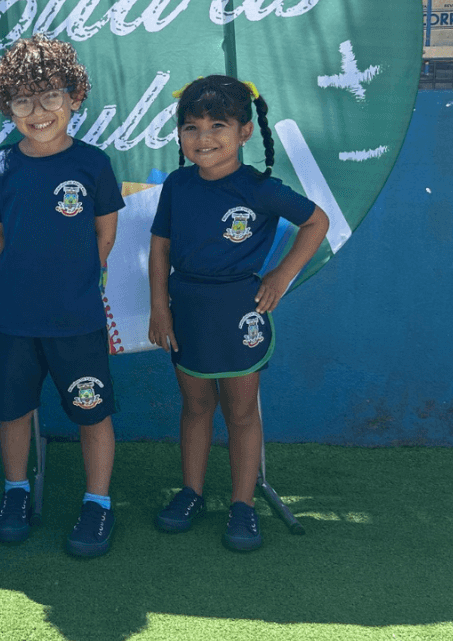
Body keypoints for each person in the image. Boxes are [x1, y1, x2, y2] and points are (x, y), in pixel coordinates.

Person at [148, 75, 329, 552]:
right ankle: (191, 493)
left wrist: (280, 276)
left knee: (243, 411)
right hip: (186, 309)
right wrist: (158, 307)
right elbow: (160, 246)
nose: (203, 138)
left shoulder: (260, 189)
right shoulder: (177, 184)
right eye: (191, 127)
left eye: (217, 125)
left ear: (245, 131)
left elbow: (316, 221)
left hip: (240, 313)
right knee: (195, 406)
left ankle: (243, 504)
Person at [0, 35, 125, 558]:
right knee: (13, 411)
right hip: (16, 320)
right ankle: (16, 493)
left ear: (74, 97)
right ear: (8, 107)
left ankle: (98, 502)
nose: (37, 111)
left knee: (92, 412)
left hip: (78, 320)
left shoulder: (93, 165)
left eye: (49, 96)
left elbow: (104, 237)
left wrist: (74, 280)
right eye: (22, 100)